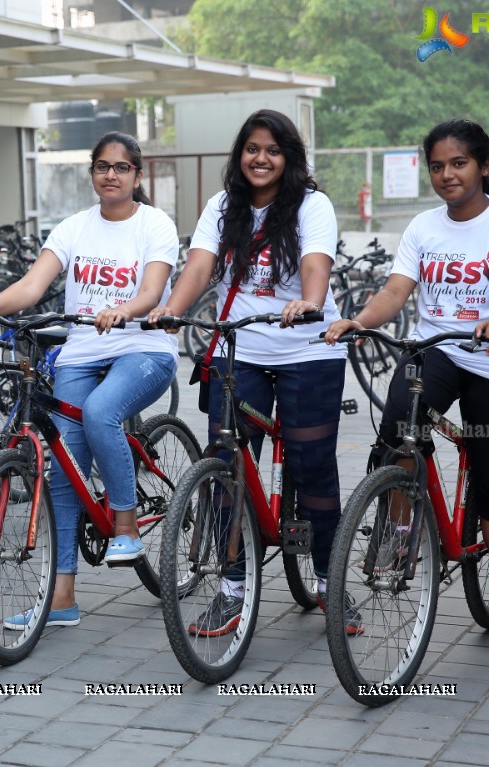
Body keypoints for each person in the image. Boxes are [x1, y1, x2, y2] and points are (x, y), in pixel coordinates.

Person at [325, 118, 489, 666]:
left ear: (483, 167)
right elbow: (398, 289)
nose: (447, 174)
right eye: (438, 166)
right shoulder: (423, 226)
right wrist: (360, 319)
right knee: (398, 431)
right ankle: (400, 528)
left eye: (459, 163)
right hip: (438, 349)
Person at [0, 131, 180, 628]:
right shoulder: (74, 228)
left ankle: (126, 523)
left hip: (142, 348)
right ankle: (62, 600)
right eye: (101, 166)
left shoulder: (155, 224)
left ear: (137, 175)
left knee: (101, 412)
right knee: (63, 470)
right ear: (92, 173)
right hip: (83, 351)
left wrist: (123, 309)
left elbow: (153, 290)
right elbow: (32, 287)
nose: (110, 175)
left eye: (121, 167)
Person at [148, 109, 352, 636]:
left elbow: (315, 263)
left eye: (273, 150)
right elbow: (198, 265)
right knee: (227, 466)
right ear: (240, 155)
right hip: (241, 350)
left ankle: (329, 579)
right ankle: (233, 588)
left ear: (289, 158)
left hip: (309, 348)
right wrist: (171, 312)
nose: (261, 159)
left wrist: (311, 302)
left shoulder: (313, 204)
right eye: (252, 149)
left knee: (311, 467)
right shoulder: (223, 205)